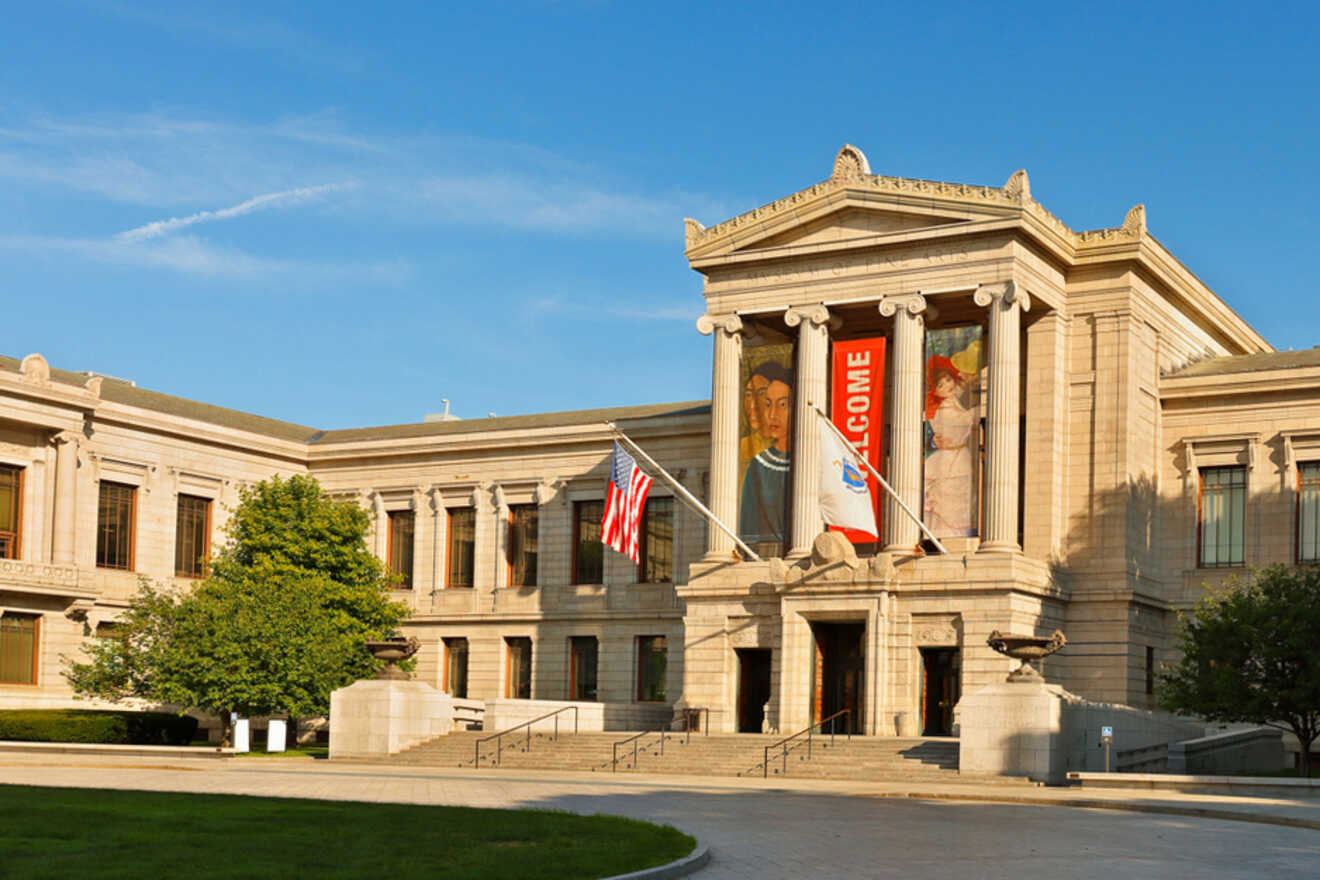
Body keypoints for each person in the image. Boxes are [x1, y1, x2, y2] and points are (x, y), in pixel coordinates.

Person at [739, 360, 792, 548]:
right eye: (768, 404)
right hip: (765, 556)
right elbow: (747, 525)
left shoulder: (816, 460)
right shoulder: (759, 465)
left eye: (783, 404)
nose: (772, 415)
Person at [923, 357, 977, 537]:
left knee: (960, 504)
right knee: (948, 507)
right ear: (935, 391)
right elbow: (963, 420)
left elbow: (959, 388)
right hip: (947, 463)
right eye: (940, 385)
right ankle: (947, 540)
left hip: (959, 457)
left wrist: (962, 376)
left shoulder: (952, 400)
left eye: (948, 380)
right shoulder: (942, 410)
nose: (947, 386)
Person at [740, 372, 772, 463]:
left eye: (761, 393)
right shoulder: (740, 447)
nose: (752, 405)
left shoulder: (786, 444)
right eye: (748, 395)